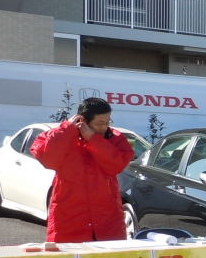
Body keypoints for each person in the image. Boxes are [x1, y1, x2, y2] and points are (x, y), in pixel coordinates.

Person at [30, 97, 135, 243]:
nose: (105, 127)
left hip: (106, 217)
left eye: (107, 122)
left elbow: (117, 164)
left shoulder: (115, 138)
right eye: (100, 123)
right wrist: (67, 129)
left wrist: (93, 139)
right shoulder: (62, 135)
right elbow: (48, 158)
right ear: (83, 121)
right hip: (69, 217)